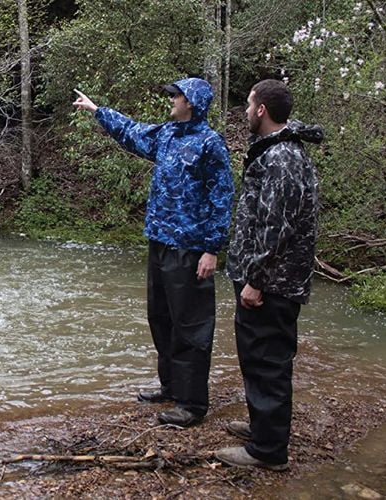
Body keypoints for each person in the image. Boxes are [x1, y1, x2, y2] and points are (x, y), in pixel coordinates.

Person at [73, 78, 234, 427]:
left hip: (191, 248)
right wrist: (98, 111)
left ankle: (192, 404)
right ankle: (171, 387)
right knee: (161, 318)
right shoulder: (166, 134)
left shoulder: (210, 143)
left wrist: (212, 249)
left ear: (191, 102)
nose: (171, 100)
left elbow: (222, 198)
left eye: (176, 96)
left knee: (191, 325)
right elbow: (132, 132)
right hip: (159, 241)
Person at [215, 79, 323, 469]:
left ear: (261, 110)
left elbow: (276, 227)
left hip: (271, 283)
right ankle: (264, 429)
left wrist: (255, 280)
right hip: (268, 279)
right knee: (258, 358)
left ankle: (268, 451)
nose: (244, 111)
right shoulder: (279, 153)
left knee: (267, 362)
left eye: (248, 104)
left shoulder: (282, 159)